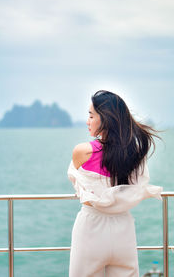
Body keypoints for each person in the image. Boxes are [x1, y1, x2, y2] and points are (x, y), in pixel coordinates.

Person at [67, 90, 163, 277]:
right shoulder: (133, 152)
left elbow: (78, 182)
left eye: (91, 115)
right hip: (123, 227)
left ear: (105, 118)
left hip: (91, 227)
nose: (88, 121)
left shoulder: (83, 151)